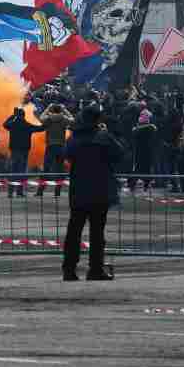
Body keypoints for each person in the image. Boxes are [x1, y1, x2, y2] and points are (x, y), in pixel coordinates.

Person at [62, 105, 123, 281]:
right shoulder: (104, 137)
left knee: (74, 231)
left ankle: (69, 269)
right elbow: (120, 154)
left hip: (78, 190)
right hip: (100, 189)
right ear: (98, 120)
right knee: (97, 233)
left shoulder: (75, 138)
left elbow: (66, 155)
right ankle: (95, 269)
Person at [38, 103, 75, 197]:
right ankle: (57, 192)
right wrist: (65, 109)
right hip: (61, 146)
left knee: (46, 169)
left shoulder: (49, 119)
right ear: (60, 111)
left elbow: (41, 118)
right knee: (59, 169)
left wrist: (47, 108)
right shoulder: (63, 119)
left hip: (50, 146)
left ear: (52, 110)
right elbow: (72, 119)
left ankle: (40, 191)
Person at [4, 107, 42, 198]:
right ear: (24, 116)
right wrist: (46, 120)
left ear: (17, 116)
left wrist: (13, 116)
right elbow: (41, 128)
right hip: (24, 152)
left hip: (14, 151)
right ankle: (19, 192)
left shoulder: (12, 124)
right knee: (21, 172)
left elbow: (5, 124)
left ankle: (10, 193)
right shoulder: (27, 125)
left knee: (13, 172)